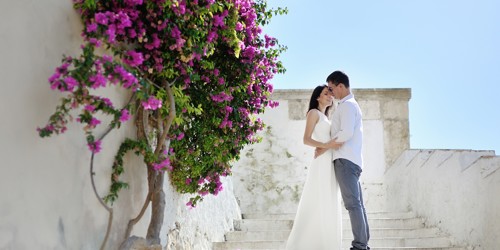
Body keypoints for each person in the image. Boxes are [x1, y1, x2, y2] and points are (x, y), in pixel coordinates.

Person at [285, 85, 343, 250]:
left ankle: (326, 243)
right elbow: (306, 139)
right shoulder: (313, 113)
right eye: (326, 93)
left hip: (329, 161)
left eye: (331, 93)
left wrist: (327, 146)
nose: (330, 96)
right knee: (319, 199)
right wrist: (326, 145)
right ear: (317, 97)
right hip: (322, 162)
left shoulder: (326, 117)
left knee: (328, 200)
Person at [323, 70, 370, 250]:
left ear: (341, 86)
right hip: (352, 160)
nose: (331, 92)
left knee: (352, 204)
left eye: (332, 88)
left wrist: (327, 145)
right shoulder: (349, 105)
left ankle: (360, 245)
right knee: (357, 204)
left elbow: (346, 133)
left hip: (345, 160)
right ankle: (363, 243)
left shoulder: (347, 106)